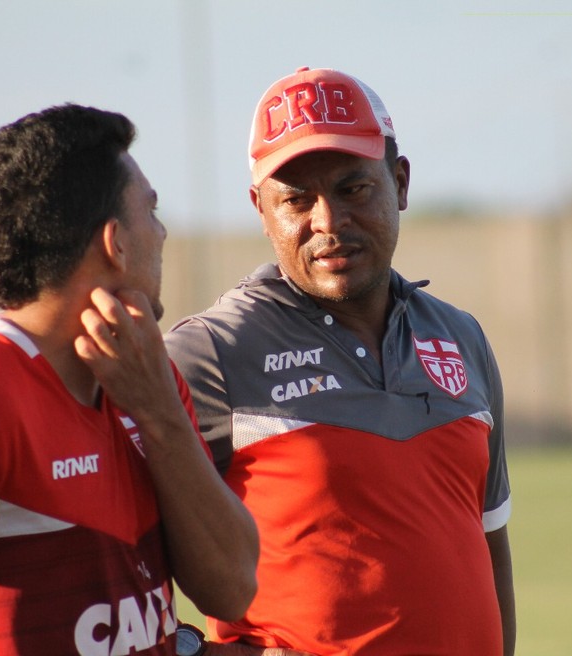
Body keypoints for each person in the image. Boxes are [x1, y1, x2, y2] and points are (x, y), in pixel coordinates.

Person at [0, 104, 258, 655]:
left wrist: (161, 414)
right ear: (114, 242)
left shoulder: (149, 382)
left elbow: (231, 591)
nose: (162, 234)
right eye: (153, 211)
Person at [163, 67, 516, 655]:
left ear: (399, 183)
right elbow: (107, 551)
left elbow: (489, 541)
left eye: (353, 189)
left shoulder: (460, 335)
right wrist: (188, 650)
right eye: (297, 200)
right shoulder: (208, 355)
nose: (328, 222)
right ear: (261, 208)